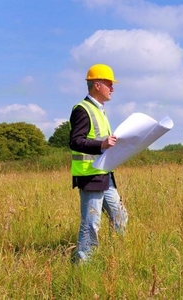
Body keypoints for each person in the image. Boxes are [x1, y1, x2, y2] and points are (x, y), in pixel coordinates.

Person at [69, 63, 128, 263]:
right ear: (97, 85)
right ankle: (83, 265)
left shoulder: (100, 110)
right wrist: (101, 144)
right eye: (109, 83)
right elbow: (75, 141)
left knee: (120, 216)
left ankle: (117, 256)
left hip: (105, 174)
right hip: (90, 175)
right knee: (90, 223)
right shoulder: (82, 109)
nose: (113, 88)